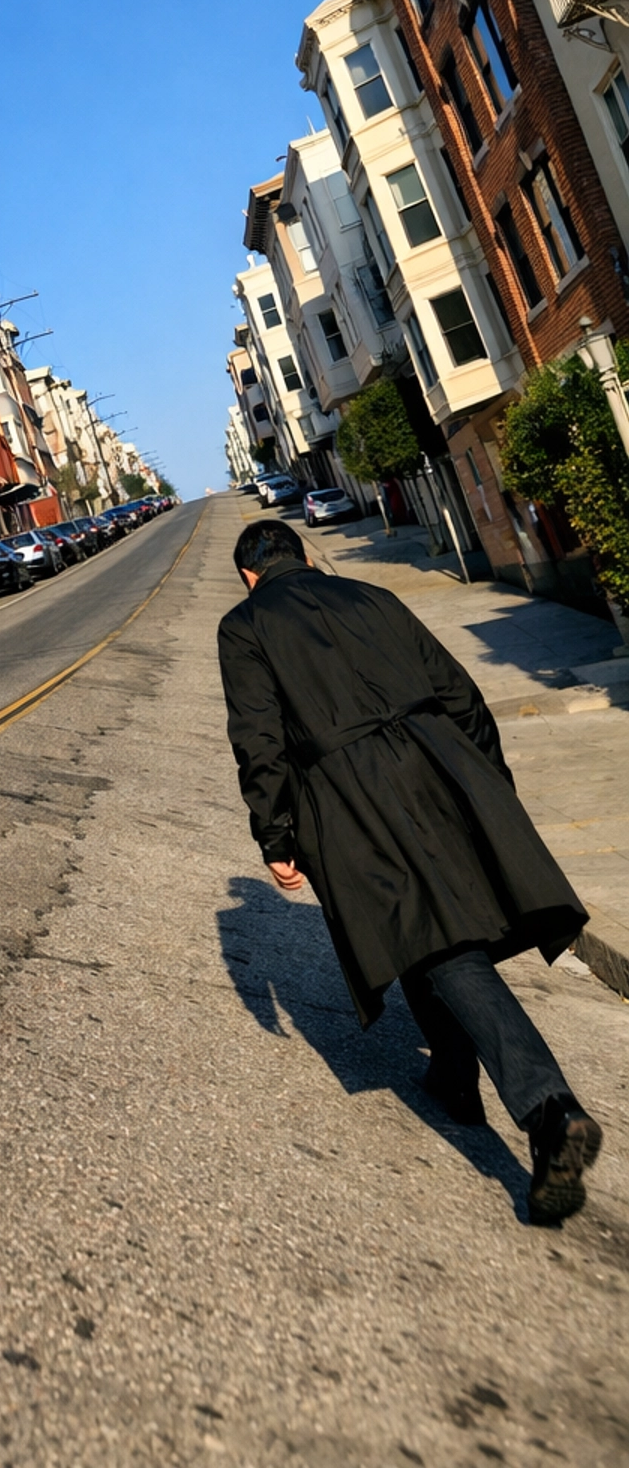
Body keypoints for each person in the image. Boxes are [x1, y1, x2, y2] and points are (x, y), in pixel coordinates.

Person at [218, 516, 602, 1225]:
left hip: (350, 792)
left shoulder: (245, 625)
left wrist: (274, 834)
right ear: (304, 558)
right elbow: (460, 691)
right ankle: (454, 1077)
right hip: (440, 763)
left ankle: (550, 1110)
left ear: (249, 575)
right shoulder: (372, 596)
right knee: (428, 927)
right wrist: (489, 784)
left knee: (434, 940)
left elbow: (258, 738)